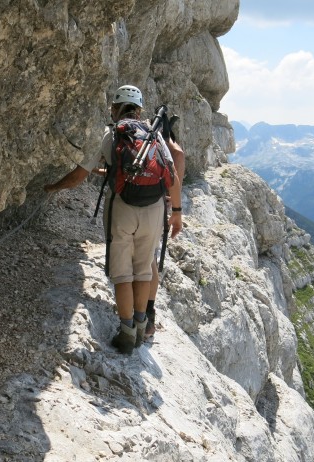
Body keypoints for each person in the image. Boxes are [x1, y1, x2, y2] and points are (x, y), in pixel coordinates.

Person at [44, 84, 183, 355]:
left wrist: (52, 188)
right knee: (143, 269)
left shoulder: (109, 134)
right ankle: (142, 327)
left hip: (122, 208)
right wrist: (176, 213)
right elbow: (173, 177)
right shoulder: (153, 135)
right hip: (154, 209)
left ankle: (126, 333)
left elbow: (77, 176)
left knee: (122, 274)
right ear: (140, 110)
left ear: (114, 108)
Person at [145, 137, 185, 340]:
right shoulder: (156, 137)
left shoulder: (127, 134)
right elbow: (179, 155)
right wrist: (176, 208)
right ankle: (147, 315)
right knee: (149, 259)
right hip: (156, 204)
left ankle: (131, 319)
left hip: (128, 204)